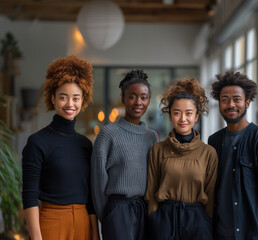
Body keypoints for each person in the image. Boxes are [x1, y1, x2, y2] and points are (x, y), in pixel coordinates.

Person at [22, 55, 99, 240]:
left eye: (76, 98)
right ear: (53, 98)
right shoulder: (37, 142)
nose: (70, 104)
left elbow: (90, 198)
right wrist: (36, 238)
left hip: (82, 223)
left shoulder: (85, 144)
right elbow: (30, 196)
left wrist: (95, 234)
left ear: (83, 100)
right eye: (63, 97)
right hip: (51, 222)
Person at [144, 77, 218, 240]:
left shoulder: (208, 153)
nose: (183, 119)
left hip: (197, 221)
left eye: (188, 113)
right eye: (177, 113)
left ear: (197, 116)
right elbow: (151, 191)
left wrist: (205, 221)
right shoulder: (158, 149)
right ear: (170, 116)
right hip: (164, 219)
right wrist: (154, 217)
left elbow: (211, 196)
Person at [208, 71, 258, 240]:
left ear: (247, 102)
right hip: (218, 232)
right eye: (224, 100)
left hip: (248, 233)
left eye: (237, 99)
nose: (230, 104)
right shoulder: (214, 140)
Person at [91, 69, 158, 240]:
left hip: (144, 210)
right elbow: (98, 182)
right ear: (123, 99)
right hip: (117, 212)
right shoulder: (108, 134)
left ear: (149, 100)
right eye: (132, 96)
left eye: (144, 97)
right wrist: (107, 217)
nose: (138, 102)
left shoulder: (152, 137)